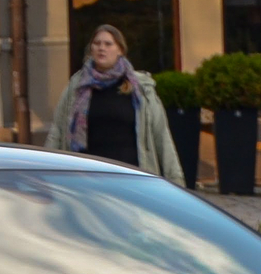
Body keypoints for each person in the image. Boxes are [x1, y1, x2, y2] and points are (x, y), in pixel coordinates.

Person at [46, 23, 181, 177]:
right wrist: (46, 175)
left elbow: (161, 135)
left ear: (120, 50)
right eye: (97, 43)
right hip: (88, 177)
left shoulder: (141, 88)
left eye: (108, 44)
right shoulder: (77, 86)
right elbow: (57, 130)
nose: (101, 48)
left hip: (132, 176)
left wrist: (175, 179)